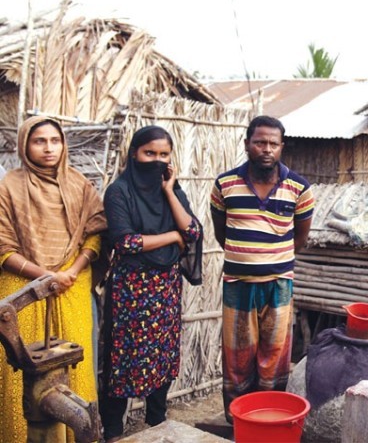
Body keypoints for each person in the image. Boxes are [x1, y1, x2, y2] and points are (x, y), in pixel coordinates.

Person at [0, 115, 107, 442]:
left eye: (55, 140)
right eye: (39, 141)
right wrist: (43, 276)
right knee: (21, 373)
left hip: (72, 288)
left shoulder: (78, 184)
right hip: (24, 292)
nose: (49, 148)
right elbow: (2, 244)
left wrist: (71, 272)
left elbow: (96, 233)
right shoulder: (8, 187)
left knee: (76, 368)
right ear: (24, 145)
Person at [99, 125, 203, 442]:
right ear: (134, 154)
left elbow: (194, 232)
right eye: (149, 154)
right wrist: (172, 236)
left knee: (163, 354)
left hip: (166, 288)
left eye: (163, 155)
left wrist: (170, 191)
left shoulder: (171, 189)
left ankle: (157, 422)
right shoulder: (119, 192)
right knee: (123, 359)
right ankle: (114, 430)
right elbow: (125, 242)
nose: (156, 161)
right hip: (132, 289)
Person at [211, 115, 315, 418]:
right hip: (237, 284)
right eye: (260, 142)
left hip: (278, 284)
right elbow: (222, 232)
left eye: (273, 143)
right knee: (237, 357)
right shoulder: (225, 184)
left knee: (275, 356)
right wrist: (247, 257)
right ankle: (237, 421)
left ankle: (268, 419)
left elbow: (300, 237)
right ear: (247, 145)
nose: (266, 149)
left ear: (282, 147)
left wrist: (272, 260)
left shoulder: (299, 188)